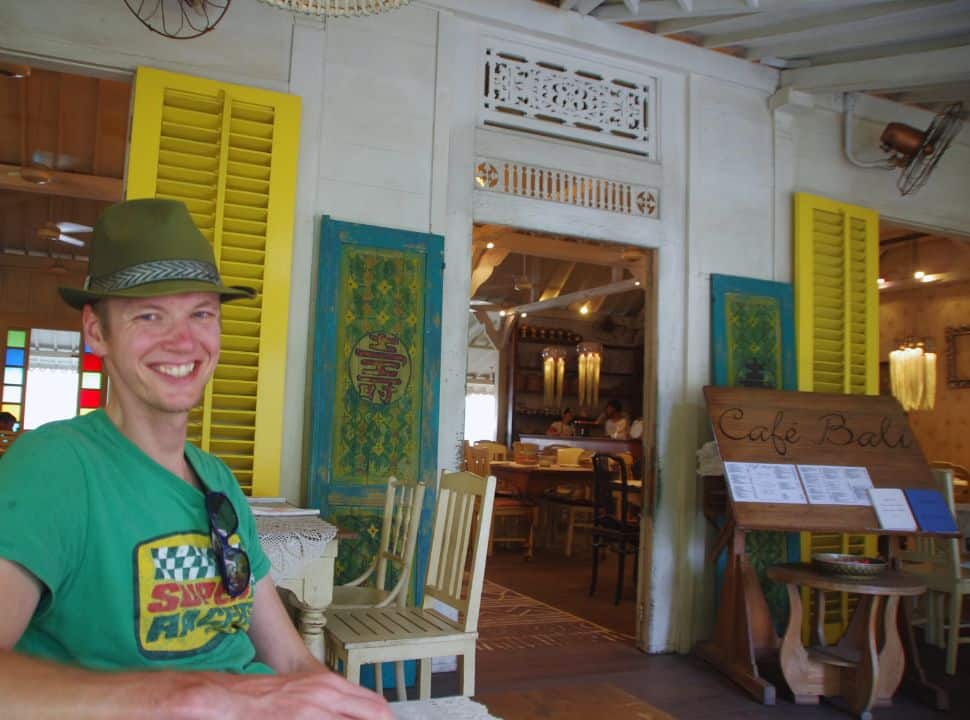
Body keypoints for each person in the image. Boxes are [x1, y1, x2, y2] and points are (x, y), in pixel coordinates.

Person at [0, 199, 392, 719]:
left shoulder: (216, 480)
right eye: (149, 315)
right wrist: (193, 698)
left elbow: (292, 661)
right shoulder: (53, 467)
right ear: (96, 332)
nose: (183, 340)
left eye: (201, 313)